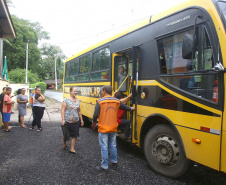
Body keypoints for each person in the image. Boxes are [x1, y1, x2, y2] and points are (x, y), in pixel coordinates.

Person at [92, 85, 135, 172]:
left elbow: (95, 114)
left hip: (103, 128)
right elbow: (125, 107)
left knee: (104, 147)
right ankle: (114, 163)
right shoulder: (116, 101)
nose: (101, 92)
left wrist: (93, 123)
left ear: (104, 91)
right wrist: (131, 108)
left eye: (102, 91)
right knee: (113, 146)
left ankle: (104, 166)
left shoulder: (100, 101)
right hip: (113, 128)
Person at [61, 87, 84, 154]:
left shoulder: (77, 101)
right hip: (67, 120)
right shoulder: (66, 100)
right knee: (66, 134)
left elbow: (79, 111)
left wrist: (81, 120)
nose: (75, 92)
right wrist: (63, 120)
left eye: (76, 91)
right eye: (74, 91)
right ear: (70, 91)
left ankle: (72, 148)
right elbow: (63, 110)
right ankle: (64, 143)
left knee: (75, 135)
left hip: (76, 120)